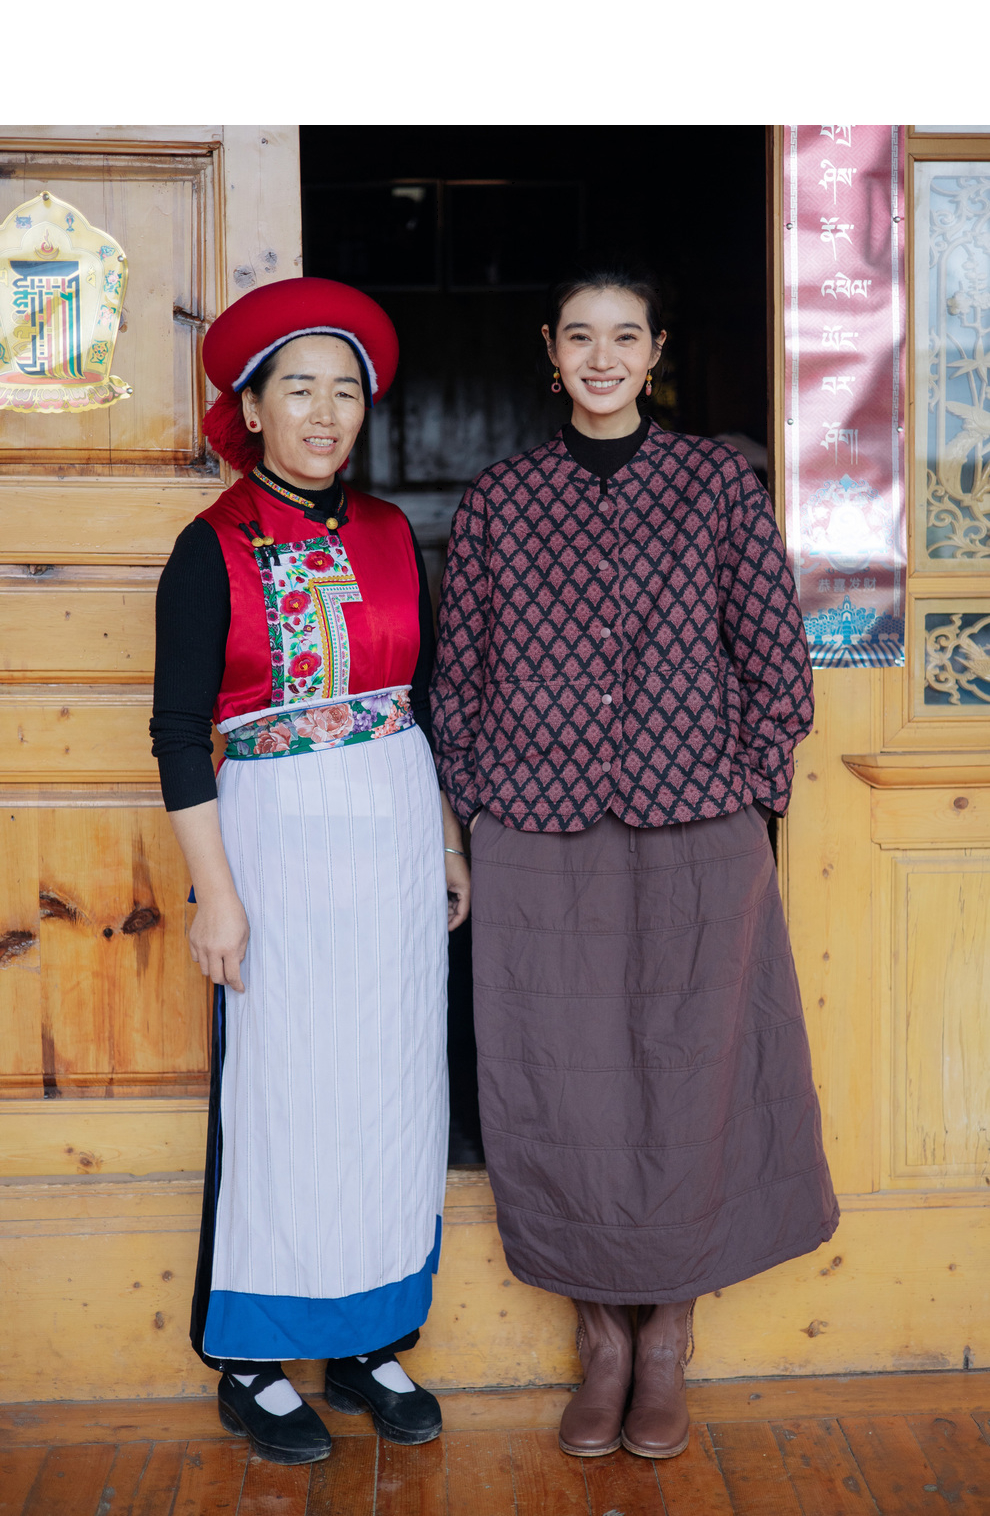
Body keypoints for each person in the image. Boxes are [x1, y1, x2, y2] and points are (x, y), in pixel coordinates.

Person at [430, 264, 839, 1461]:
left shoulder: (714, 482)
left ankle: (668, 1336)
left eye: (625, 336)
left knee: (692, 1069)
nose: (601, 357)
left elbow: (778, 663)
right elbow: (459, 680)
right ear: (549, 350)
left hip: (697, 828)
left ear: (656, 352)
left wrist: (748, 793)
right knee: (556, 1079)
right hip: (536, 831)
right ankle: (600, 1334)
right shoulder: (501, 499)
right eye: (580, 336)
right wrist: (476, 807)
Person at [151, 277, 470, 1465]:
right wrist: (218, 895)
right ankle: (252, 1359)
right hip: (275, 847)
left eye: (345, 392)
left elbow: (423, 700)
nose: (326, 414)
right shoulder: (210, 548)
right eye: (300, 390)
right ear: (253, 408)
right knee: (285, 1093)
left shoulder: (390, 536)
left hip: (393, 835)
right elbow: (178, 731)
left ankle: (368, 1336)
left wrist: (449, 841)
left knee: (389, 1081)